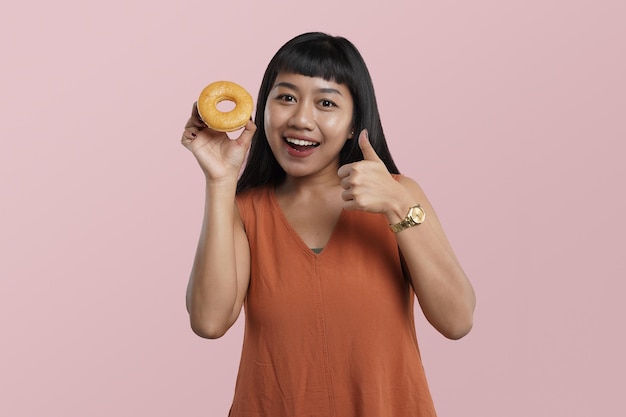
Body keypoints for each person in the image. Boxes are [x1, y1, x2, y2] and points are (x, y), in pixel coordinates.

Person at [181, 32, 475, 417]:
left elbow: (457, 321)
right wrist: (220, 183)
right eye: (286, 97)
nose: (301, 119)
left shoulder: (400, 195)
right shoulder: (244, 210)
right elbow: (209, 321)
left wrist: (399, 208)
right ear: (263, 108)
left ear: (354, 123)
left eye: (326, 103)